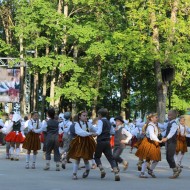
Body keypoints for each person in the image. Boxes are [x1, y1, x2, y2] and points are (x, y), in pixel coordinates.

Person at [67, 110, 96, 180]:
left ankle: (87, 170)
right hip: (79, 142)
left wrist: (99, 131)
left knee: (86, 158)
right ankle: (74, 174)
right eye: (84, 115)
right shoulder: (77, 124)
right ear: (79, 117)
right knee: (77, 158)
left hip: (87, 142)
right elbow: (80, 132)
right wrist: (90, 133)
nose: (85, 117)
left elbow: (94, 129)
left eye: (86, 115)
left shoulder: (89, 123)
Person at [93, 108, 120, 181]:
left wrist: (94, 134)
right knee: (110, 158)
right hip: (107, 142)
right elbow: (112, 132)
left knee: (97, 157)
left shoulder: (100, 121)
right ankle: (116, 172)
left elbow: (99, 131)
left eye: (98, 115)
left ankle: (102, 170)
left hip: (100, 141)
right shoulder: (108, 122)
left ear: (100, 115)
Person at [135, 113, 162, 178]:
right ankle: (143, 172)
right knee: (148, 159)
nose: (157, 118)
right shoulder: (150, 126)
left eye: (157, 117)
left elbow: (156, 133)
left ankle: (149, 170)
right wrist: (158, 140)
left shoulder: (154, 125)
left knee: (156, 158)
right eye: (156, 117)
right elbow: (152, 135)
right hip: (150, 142)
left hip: (153, 142)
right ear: (151, 118)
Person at [162, 110, 182, 179]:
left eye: (169, 115)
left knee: (169, 157)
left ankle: (175, 171)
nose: (168, 116)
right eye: (168, 115)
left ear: (173, 116)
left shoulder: (174, 124)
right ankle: (177, 169)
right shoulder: (169, 123)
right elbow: (164, 129)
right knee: (168, 157)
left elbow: (172, 132)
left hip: (172, 142)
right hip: (168, 142)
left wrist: (166, 138)